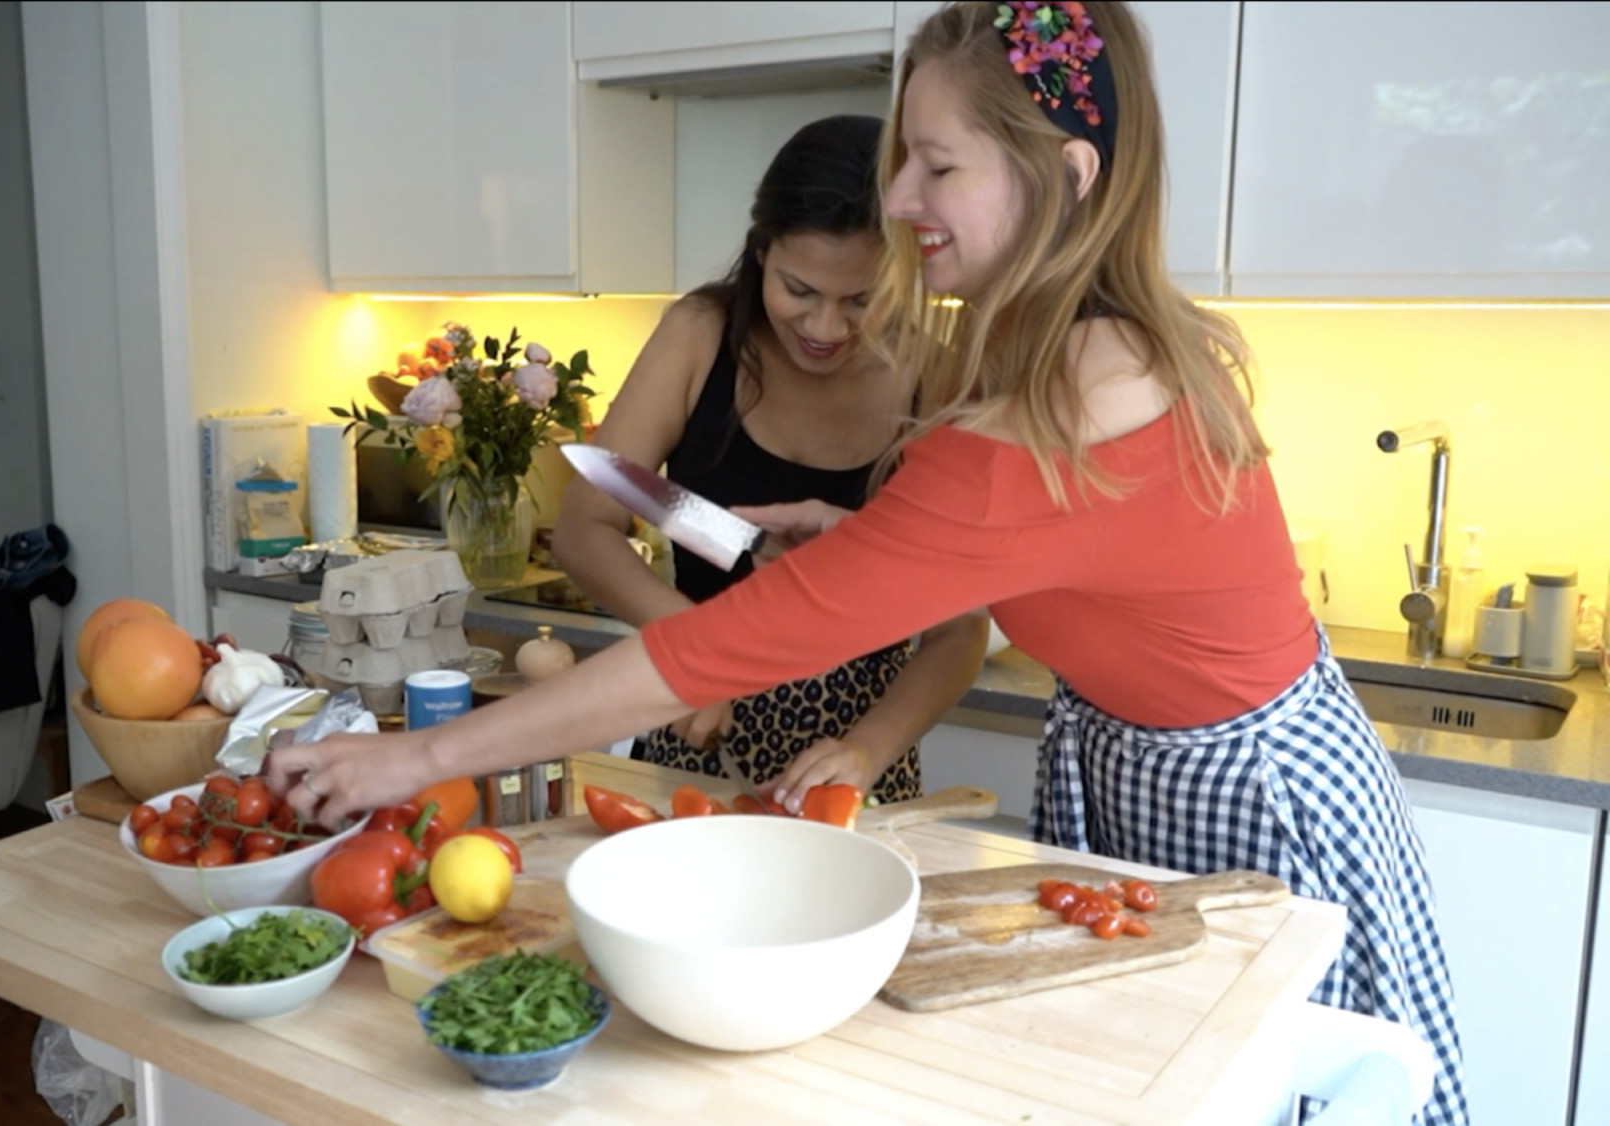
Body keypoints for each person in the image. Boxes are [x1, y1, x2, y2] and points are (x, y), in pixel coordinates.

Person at [273, 4, 1468, 1122]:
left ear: (1063, 177)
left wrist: (415, 757)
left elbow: (718, 648)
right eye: (903, 156)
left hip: (1248, 800)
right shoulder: (1085, 349)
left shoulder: (1050, 404)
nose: (897, 196)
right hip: (1163, 762)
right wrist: (866, 547)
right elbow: (1050, 561)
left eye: (936, 165)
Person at [551, 114, 990, 805]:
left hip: (855, 760)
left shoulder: (937, 382)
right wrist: (696, 649)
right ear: (761, 253)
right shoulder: (700, 336)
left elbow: (960, 628)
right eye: (799, 290)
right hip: (692, 724)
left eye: (862, 302)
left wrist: (865, 750)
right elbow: (584, 527)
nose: (824, 328)